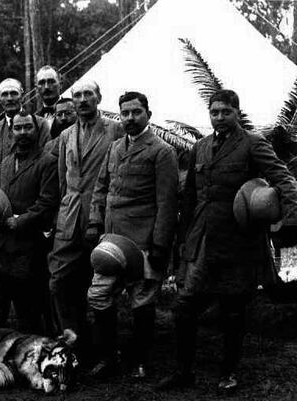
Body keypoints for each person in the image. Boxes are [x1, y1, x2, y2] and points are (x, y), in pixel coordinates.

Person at [157, 89, 297, 393]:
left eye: (226, 111)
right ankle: (184, 372)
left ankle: (229, 373)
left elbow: (284, 179)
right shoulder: (200, 147)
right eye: (215, 112)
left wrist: (290, 221)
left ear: (237, 112)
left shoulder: (252, 144)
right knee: (184, 308)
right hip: (203, 243)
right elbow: (190, 198)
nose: (220, 117)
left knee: (232, 311)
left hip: (240, 244)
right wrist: (183, 240)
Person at [86, 91, 179, 379]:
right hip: (112, 243)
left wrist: (160, 244)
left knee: (142, 301)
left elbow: (167, 202)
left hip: (143, 244)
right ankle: (108, 357)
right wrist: (94, 223)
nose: (130, 118)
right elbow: (101, 188)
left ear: (148, 115)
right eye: (124, 113)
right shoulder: (114, 148)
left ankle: (140, 360)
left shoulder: (161, 151)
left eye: (136, 112)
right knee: (98, 295)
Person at [49, 80, 124, 360]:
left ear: (99, 98)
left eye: (88, 94)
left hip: (102, 218)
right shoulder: (67, 134)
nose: (82, 100)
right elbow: (62, 180)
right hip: (69, 218)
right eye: (77, 95)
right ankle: (73, 343)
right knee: (58, 282)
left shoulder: (115, 129)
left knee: (102, 285)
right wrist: (61, 214)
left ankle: (107, 350)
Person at [0, 112, 58, 333]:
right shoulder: (5, 162)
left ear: (36, 130)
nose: (23, 133)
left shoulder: (47, 162)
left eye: (28, 127)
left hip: (28, 245)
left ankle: (28, 350)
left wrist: (22, 220)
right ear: (12, 132)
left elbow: (48, 201)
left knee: (27, 306)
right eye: (18, 128)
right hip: (2, 244)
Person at [0, 78, 50, 162]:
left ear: (22, 96)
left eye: (14, 93)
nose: (9, 98)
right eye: (4, 94)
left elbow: (47, 159)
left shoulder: (40, 124)